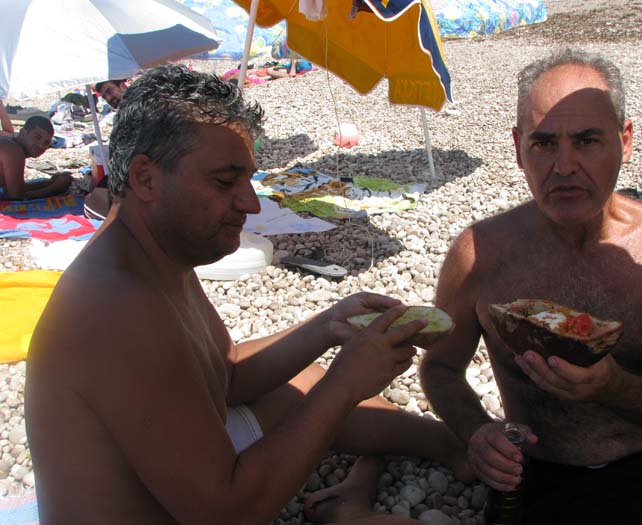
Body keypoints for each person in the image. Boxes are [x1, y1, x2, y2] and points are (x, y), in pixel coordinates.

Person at [25, 65, 471, 524]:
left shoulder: (156, 255)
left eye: (247, 180)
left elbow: (227, 377)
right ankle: (352, 510)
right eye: (225, 182)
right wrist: (344, 385)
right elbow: (228, 512)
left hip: (186, 482)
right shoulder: (118, 310)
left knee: (301, 383)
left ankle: (457, 446)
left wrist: (328, 325)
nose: (251, 204)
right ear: (145, 178)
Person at [420, 48, 642, 524]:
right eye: (544, 143)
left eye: (587, 141)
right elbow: (441, 368)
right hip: (539, 475)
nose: (564, 166)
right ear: (518, 148)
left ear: (625, 141)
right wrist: (477, 431)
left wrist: (613, 386)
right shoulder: (479, 255)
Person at [0, 116, 71, 200]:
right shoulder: (12, 149)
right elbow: (17, 196)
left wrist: (49, 183)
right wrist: (57, 187)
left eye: (46, 142)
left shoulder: (9, 143)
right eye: (37, 137)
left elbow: (12, 188)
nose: (41, 145)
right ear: (23, 133)